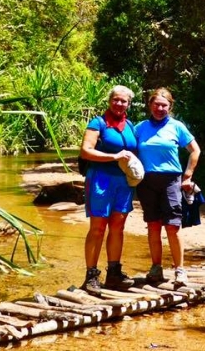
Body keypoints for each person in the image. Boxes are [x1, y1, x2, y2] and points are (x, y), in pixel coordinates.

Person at [135, 87, 201, 285]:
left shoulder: (177, 126)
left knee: (172, 226)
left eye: (164, 105)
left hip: (171, 180)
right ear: (150, 105)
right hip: (146, 182)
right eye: (156, 104)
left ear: (170, 107)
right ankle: (156, 268)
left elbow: (195, 150)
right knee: (153, 225)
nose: (160, 108)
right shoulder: (139, 128)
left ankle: (180, 270)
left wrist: (188, 175)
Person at [79, 84, 139, 294]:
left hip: (122, 182)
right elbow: (86, 151)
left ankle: (114, 273)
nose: (119, 104)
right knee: (97, 228)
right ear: (109, 101)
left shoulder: (130, 125)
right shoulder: (98, 123)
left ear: (128, 104)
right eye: (116, 100)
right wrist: (113, 157)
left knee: (118, 226)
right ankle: (91, 276)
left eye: (123, 101)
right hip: (100, 179)